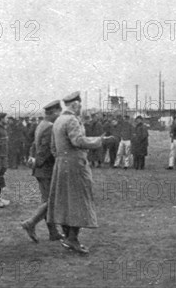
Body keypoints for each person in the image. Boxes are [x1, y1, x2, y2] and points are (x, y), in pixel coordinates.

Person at [47, 91, 103, 254]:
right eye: (79, 105)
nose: (80, 108)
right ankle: (72, 238)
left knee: (64, 201)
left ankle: (67, 236)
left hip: (61, 165)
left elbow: (53, 147)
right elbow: (77, 141)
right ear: (75, 105)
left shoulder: (58, 120)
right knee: (79, 200)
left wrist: (62, 159)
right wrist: (99, 141)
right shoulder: (71, 120)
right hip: (75, 165)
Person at [20, 100, 64, 243]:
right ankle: (30, 223)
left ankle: (53, 233)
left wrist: (33, 161)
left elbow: (34, 146)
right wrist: (37, 162)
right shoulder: (50, 127)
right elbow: (45, 150)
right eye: (59, 113)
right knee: (51, 201)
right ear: (54, 112)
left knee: (47, 201)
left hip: (40, 169)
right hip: (46, 170)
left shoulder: (41, 125)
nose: (60, 116)